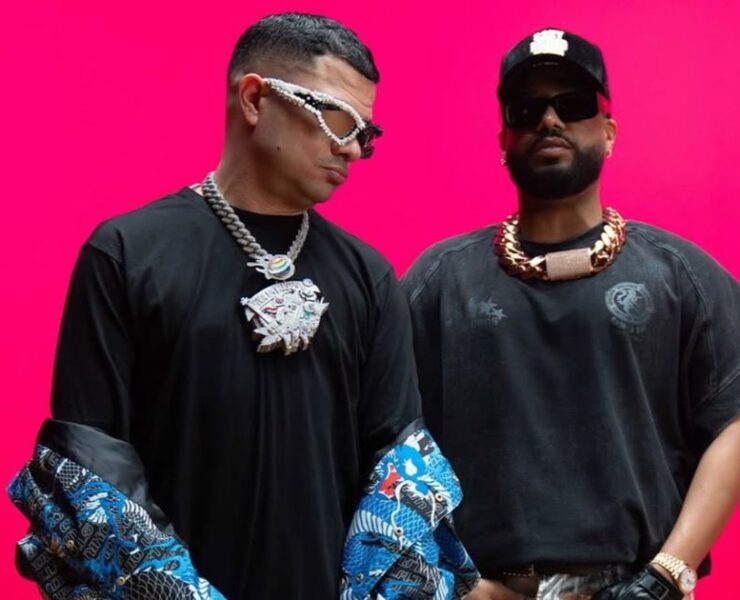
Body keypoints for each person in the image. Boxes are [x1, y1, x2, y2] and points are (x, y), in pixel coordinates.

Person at [8, 13, 478, 600]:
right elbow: (89, 472)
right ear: (255, 99)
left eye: (366, 132)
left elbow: (397, 478)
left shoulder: (370, 277)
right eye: (337, 118)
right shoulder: (127, 254)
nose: (354, 148)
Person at [402, 28, 740, 600]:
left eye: (574, 105)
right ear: (504, 139)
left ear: (608, 132)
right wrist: (451, 582)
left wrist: (667, 575)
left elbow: (733, 421)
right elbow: (389, 438)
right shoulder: (439, 281)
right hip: (488, 586)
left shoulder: (682, 275)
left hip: (639, 583)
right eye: (527, 110)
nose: (550, 120)